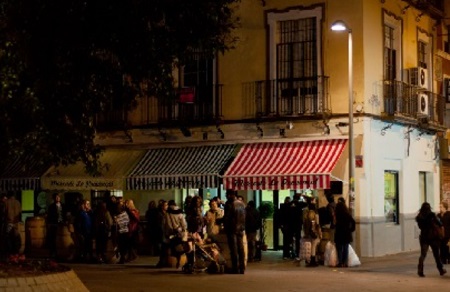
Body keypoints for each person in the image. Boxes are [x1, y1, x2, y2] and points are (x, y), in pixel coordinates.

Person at [416, 202, 447, 277]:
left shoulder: (419, 217)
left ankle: (420, 270)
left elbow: (420, 227)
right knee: (436, 254)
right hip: (433, 237)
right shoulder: (432, 215)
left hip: (423, 237)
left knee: (423, 254)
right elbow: (440, 223)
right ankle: (441, 270)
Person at [223, 189, 246, 274]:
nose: (226, 196)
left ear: (230, 195)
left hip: (232, 229)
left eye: (227, 194)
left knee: (234, 249)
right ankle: (242, 268)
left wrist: (220, 221)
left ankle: (235, 268)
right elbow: (244, 216)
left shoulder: (229, 204)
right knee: (241, 248)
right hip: (240, 228)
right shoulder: (241, 203)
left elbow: (227, 217)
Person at [165, 200, 188, 269]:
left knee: (174, 248)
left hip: (172, 233)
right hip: (180, 233)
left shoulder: (168, 213)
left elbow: (167, 224)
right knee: (180, 247)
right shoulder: (180, 213)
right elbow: (184, 224)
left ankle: (176, 261)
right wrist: (183, 229)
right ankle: (180, 260)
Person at [334, 201, 355, 268]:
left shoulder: (337, 214)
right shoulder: (347, 214)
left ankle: (340, 262)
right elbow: (353, 222)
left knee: (339, 248)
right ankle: (345, 262)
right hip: (346, 233)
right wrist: (351, 229)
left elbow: (334, 223)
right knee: (346, 248)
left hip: (339, 233)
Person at [288, 193, 307, 260]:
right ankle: (297, 254)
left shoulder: (289, 204)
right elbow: (308, 202)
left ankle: (290, 253)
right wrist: (304, 196)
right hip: (298, 224)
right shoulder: (300, 204)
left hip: (290, 224)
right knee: (297, 239)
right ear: (298, 198)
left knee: (290, 239)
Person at [46, 193, 66, 259]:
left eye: (59, 197)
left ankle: (60, 251)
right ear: (54, 198)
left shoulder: (62, 205)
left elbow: (64, 214)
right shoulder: (51, 206)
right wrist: (50, 223)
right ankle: (53, 252)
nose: (58, 198)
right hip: (54, 224)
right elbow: (49, 216)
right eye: (56, 197)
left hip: (61, 223)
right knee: (53, 239)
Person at [303, 202, 322, 267]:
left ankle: (312, 260)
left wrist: (306, 233)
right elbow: (317, 225)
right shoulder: (315, 214)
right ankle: (313, 260)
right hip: (314, 232)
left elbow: (305, 225)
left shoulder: (307, 214)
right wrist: (320, 233)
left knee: (313, 246)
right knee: (314, 247)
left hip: (310, 233)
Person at [438, 200, 450, 264]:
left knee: (447, 247)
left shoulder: (449, 214)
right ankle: (443, 259)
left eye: (441, 207)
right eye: (439, 207)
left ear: (445, 207)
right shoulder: (438, 215)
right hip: (440, 234)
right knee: (441, 247)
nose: (440, 208)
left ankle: (448, 258)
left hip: (447, 234)